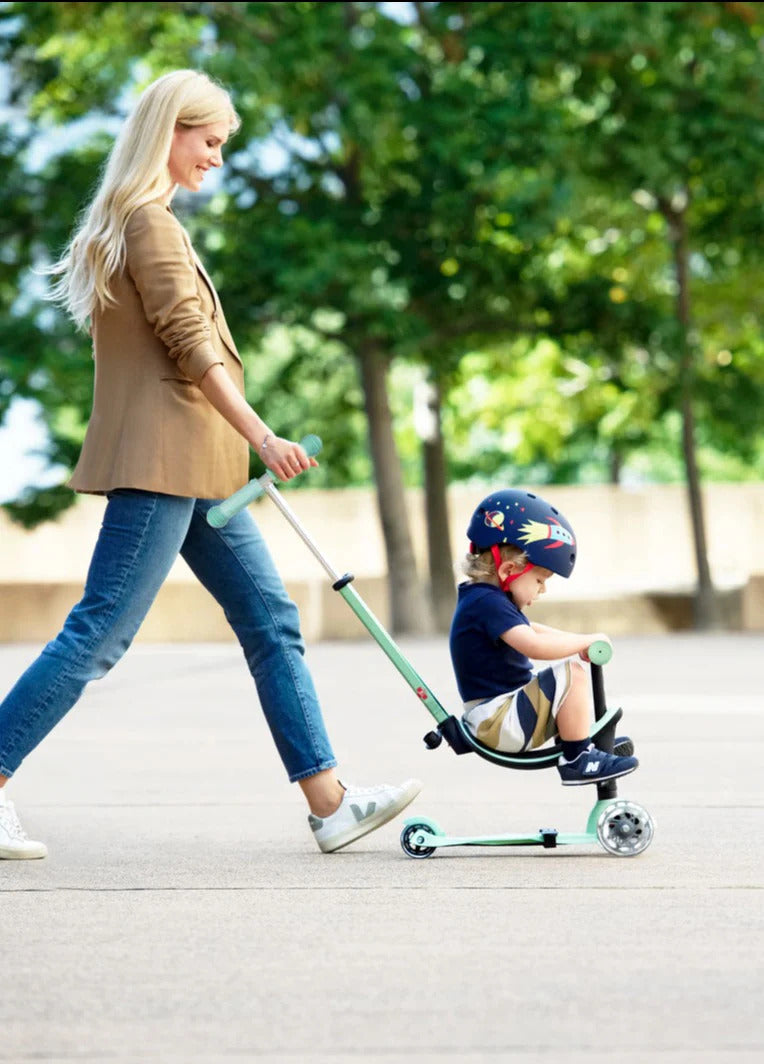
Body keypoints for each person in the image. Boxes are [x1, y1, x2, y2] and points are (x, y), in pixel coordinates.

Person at [0, 69, 421, 861]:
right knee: (99, 634)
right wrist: (263, 436)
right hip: (164, 463)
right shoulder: (149, 224)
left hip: (198, 469)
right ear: (171, 131)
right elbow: (191, 348)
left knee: (271, 623)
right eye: (211, 141)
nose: (218, 159)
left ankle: (329, 804)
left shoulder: (141, 221)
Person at [449, 488, 638, 785]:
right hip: (496, 722)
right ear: (508, 569)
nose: (543, 589)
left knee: (567, 675)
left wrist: (584, 639)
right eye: (539, 580)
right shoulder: (486, 603)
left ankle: (579, 743)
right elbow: (534, 645)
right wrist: (583, 644)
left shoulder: (486, 600)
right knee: (572, 673)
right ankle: (577, 758)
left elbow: (534, 630)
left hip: (499, 716)